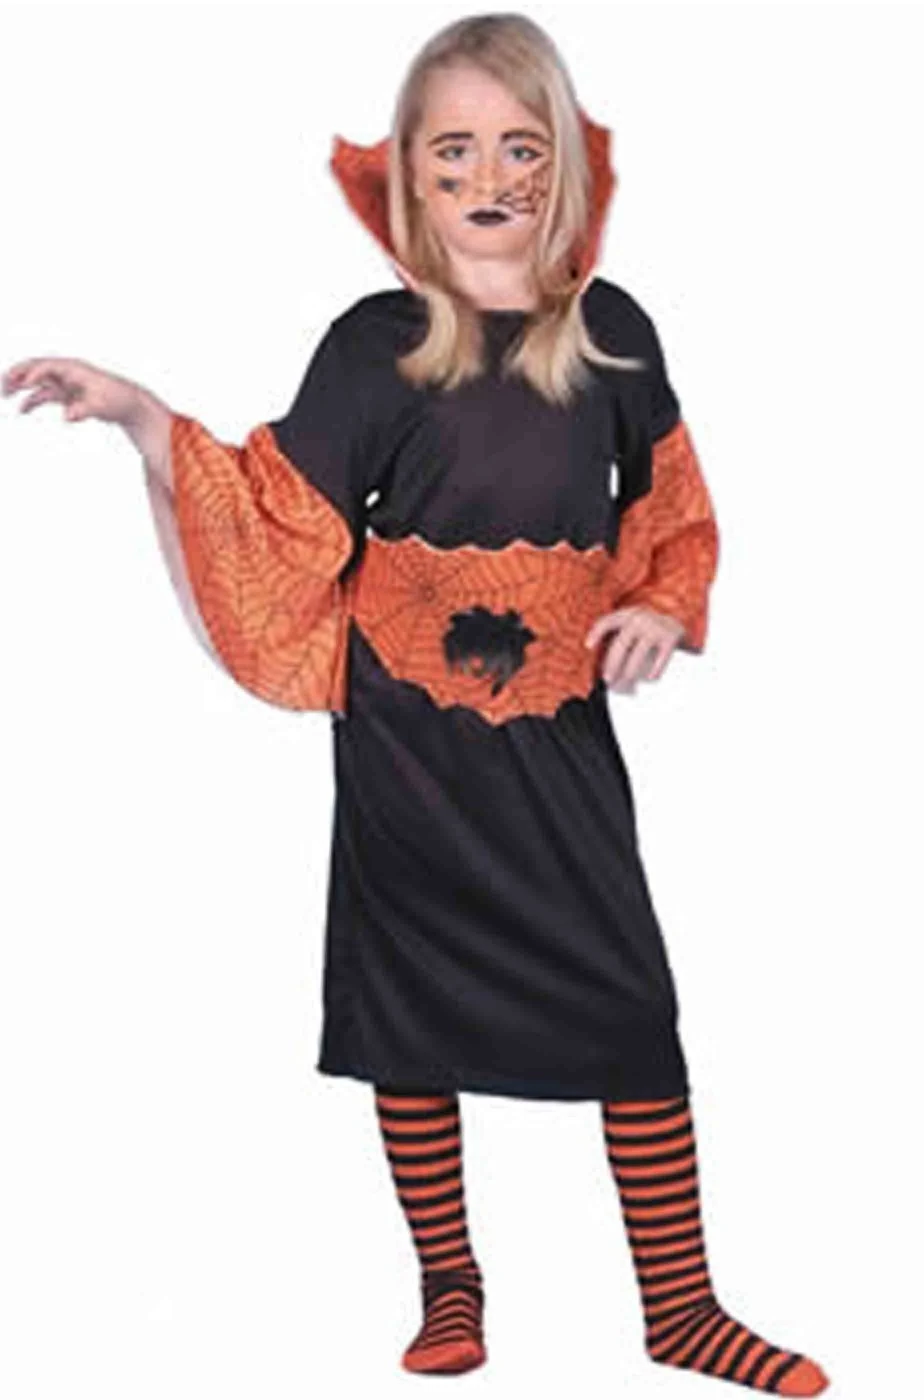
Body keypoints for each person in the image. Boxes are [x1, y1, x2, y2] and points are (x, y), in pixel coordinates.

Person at [1, 12, 829, 1395]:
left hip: (557, 738)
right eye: (454, 153)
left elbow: (671, 512)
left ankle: (680, 1306)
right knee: (411, 1012)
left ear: (563, 165)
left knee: (630, 1004)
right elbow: (279, 519)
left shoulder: (613, 336)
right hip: (407, 749)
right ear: (410, 178)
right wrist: (146, 419)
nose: (487, 178)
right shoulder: (374, 348)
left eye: (518, 147)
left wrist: (659, 607)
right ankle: (451, 1284)